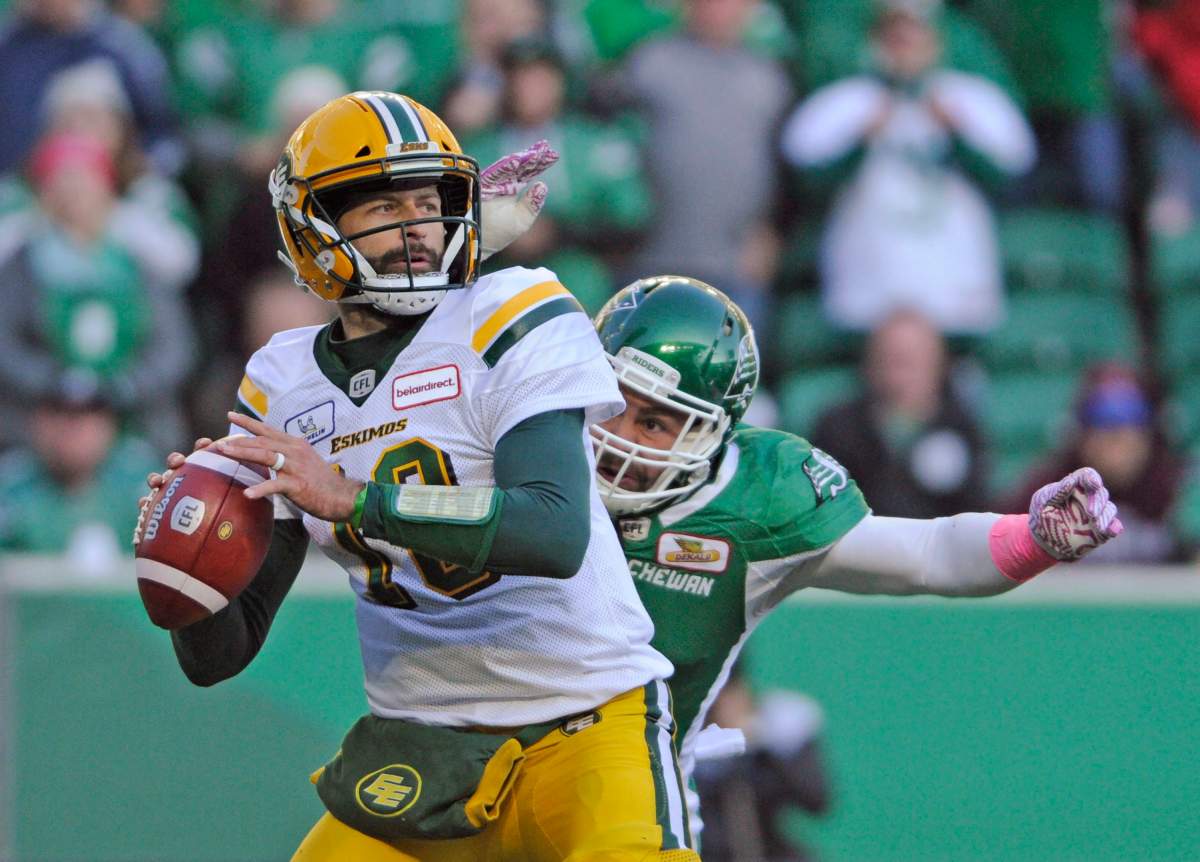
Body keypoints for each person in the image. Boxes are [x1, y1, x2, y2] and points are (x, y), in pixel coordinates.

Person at [138, 91, 698, 862]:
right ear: (315, 228)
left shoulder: (514, 308)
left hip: (586, 727)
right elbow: (220, 656)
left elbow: (553, 528)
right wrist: (185, 569)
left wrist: (357, 499)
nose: (415, 228)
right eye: (380, 205)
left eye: (427, 202)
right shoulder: (281, 382)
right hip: (421, 755)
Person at [587, 275, 1122, 836]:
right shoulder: (521, 445)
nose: (614, 436)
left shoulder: (756, 498)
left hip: (628, 805)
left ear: (710, 432)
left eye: (653, 422)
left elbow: (928, 554)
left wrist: (1030, 539)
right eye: (610, 402)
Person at [780, 0, 1035, 334]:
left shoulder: (968, 96)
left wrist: (957, 134)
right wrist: (860, 140)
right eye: (895, 37)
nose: (905, 45)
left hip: (952, 275)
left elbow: (1011, 170)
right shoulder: (849, 99)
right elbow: (805, 172)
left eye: (915, 35)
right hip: (870, 274)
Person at [1001, 363, 1199, 564]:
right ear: (1081, 433)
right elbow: (1006, 557)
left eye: (1132, 422)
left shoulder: (1176, 490)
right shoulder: (1049, 494)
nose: (1118, 438)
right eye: (1103, 422)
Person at [812, 309, 990, 518]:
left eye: (910, 362)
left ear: (939, 364)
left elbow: (974, 509)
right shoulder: (837, 429)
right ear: (869, 364)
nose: (899, 376)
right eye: (889, 360)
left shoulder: (962, 429)